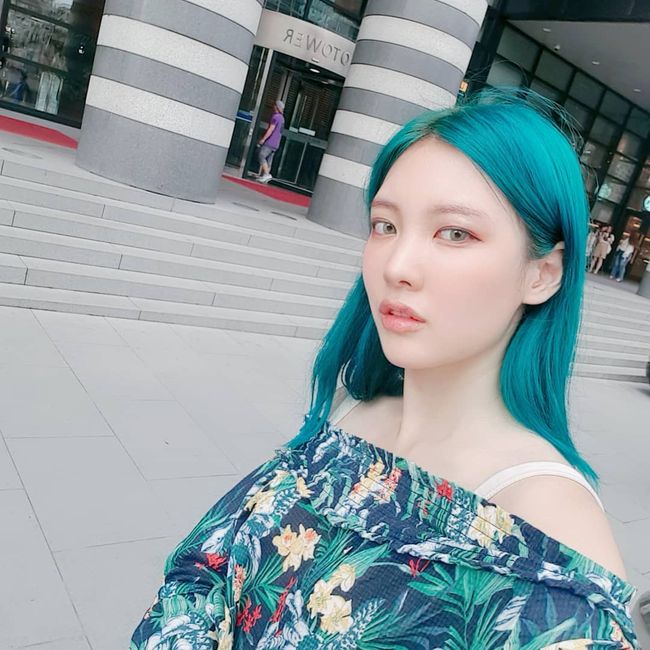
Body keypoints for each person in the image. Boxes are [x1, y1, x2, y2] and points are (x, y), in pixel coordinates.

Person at [131, 90, 638, 649]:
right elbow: (202, 571)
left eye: (455, 233)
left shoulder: (553, 540)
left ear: (541, 274)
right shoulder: (354, 413)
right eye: (385, 225)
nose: (398, 266)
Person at [256, 99, 285, 184]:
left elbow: (271, 129)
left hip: (271, 141)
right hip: (276, 143)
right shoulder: (282, 118)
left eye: (274, 105)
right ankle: (265, 177)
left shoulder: (275, 117)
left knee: (261, 155)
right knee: (269, 160)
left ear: (277, 107)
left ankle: (267, 174)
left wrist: (263, 139)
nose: (273, 106)